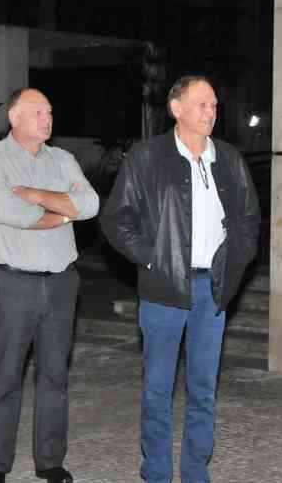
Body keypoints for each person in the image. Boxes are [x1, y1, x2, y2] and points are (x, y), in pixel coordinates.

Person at [100, 75, 261, 483]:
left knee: (203, 391)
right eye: (202, 104)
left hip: (213, 290)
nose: (211, 112)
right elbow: (116, 218)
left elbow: (248, 220)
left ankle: (195, 474)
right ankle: (156, 473)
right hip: (163, 291)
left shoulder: (227, 158)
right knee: (158, 391)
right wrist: (152, 258)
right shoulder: (147, 156)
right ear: (176, 109)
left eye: (214, 105)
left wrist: (235, 264)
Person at [0, 88, 99, 483]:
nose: (47, 119)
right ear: (14, 117)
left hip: (62, 284)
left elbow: (92, 204)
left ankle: (50, 462)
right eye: (38, 112)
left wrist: (35, 196)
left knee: (54, 377)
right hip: (11, 284)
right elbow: (4, 211)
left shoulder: (63, 159)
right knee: (4, 377)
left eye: (49, 112)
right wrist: (63, 213)